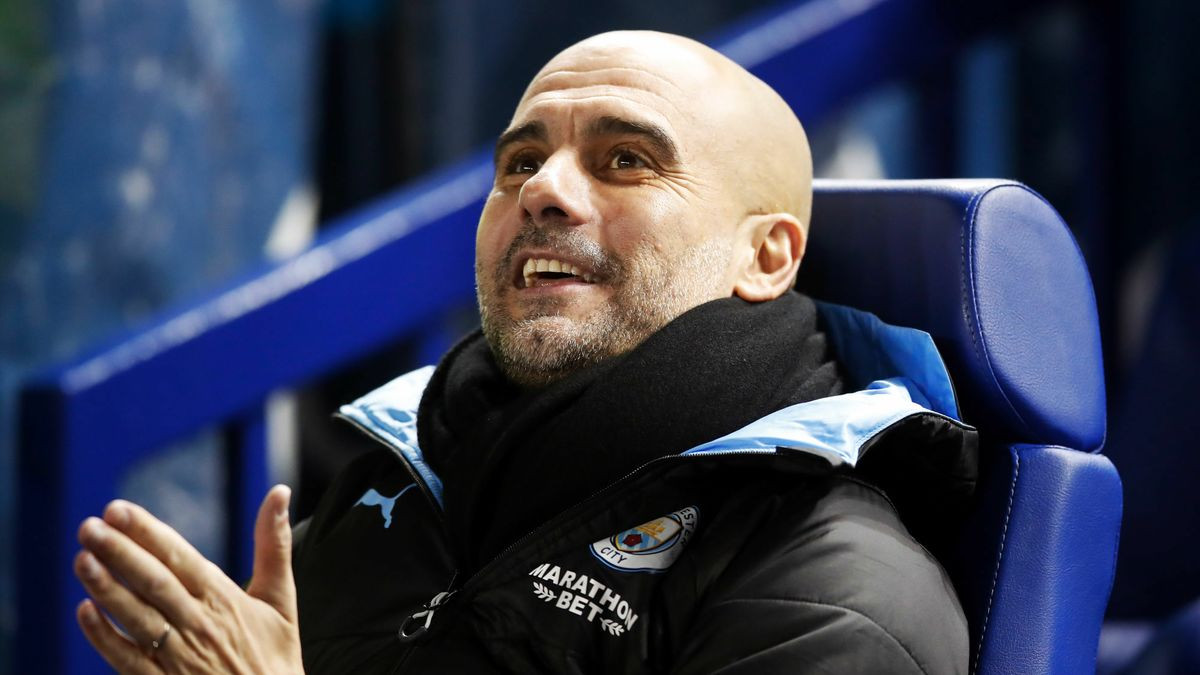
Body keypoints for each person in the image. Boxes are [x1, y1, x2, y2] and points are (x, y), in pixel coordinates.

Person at [72, 31, 976, 673]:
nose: (543, 190)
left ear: (765, 257)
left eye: (626, 160)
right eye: (519, 162)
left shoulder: (837, 585)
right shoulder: (405, 476)